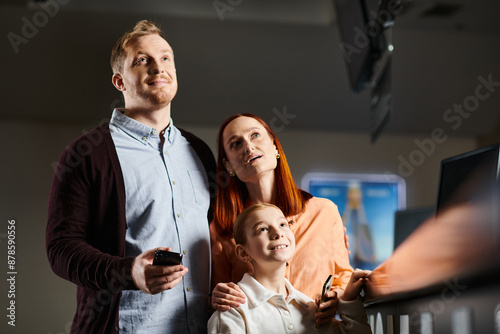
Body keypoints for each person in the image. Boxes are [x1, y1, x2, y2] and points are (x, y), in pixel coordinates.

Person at [46, 20, 215, 333]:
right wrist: (129, 272)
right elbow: (61, 249)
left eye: (166, 58)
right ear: (119, 81)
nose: (158, 67)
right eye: (142, 60)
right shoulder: (86, 153)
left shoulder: (200, 151)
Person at [210, 113, 353, 326]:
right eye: (236, 144)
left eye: (255, 135)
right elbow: (220, 294)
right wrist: (217, 296)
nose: (248, 147)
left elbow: (343, 275)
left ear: (275, 147)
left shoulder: (325, 212)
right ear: (228, 165)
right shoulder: (220, 230)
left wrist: (337, 297)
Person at [208, 203, 372, 333]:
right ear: (243, 252)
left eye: (282, 224)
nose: (277, 233)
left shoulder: (311, 310)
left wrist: (349, 299)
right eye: (262, 229)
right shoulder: (232, 312)